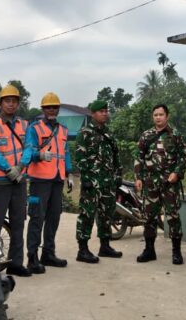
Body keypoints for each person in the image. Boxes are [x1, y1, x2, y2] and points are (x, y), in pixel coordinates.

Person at [21, 92, 73, 274]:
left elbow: (66, 153)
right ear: (43, 109)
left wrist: (69, 173)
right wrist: (39, 155)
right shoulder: (34, 129)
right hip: (39, 181)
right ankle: (32, 257)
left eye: (55, 107)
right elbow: (28, 150)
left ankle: (48, 254)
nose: (52, 110)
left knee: (54, 217)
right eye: (48, 107)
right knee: (37, 218)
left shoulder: (63, 129)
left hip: (57, 179)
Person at [0, 84, 31, 277]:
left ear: (18, 104)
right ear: (0, 103)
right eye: (7, 101)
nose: (11, 104)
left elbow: (29, 147)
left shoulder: (24, 124)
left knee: (19, 222)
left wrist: (19, 168)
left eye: (14, 101)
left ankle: (16, 263)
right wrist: (8, 169)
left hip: (19, 180)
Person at [134, 103, 186, 265]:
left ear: (167, 116)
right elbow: (139, 157)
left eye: (161, 115)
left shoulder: (175, 135)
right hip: (150, 183)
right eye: (155, 115)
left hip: (169, 183)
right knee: (149, 217)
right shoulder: (146, 136)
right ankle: (149, 250)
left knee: (172, 217)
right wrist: (138, 177)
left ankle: (176, 252)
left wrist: (176, 173)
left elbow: (185, 156)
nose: (158, 117)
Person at [75, 100, 123, 263]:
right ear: (93, 113)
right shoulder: (85, 133)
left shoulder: (108, 133)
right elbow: (80, 158)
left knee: (106, 214)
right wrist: (86, 178)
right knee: (87, 215)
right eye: (100, 111)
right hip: (92, 183)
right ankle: (82, 250)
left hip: (108, 183)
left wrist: (118, 176)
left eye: (105, 111)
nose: (104, 113)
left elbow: (116, 156)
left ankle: (105, 246)